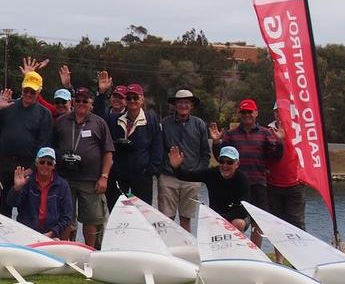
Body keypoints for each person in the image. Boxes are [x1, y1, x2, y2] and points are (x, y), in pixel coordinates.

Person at [0, 57, 54, 217]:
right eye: (26, 90)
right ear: (22, 89)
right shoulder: (8, 106)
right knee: (2, 208)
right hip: (4, 164)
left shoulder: (44, 114)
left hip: (27, 166)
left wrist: (33, 168)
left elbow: (43, 144)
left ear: (39, 92)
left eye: (33, 91)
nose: (29, 94)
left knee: (28, 208)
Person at [210, 98, 283, 247]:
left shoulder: (266, 133)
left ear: (256, 113)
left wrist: (280, 142)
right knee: (236, 220)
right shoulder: (231, 134)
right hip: (236, 185)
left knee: (258, 221)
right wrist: (216, 142)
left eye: (249, 112)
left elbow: (276, 157)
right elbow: (221, 158)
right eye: (243, 112)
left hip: (258, 183)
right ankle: (237, 249)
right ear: (239, 114)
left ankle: (254, 252)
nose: (246, 115)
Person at [52, 88, 114, 247]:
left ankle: (90, 252)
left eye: (85, 101)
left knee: (92, 219)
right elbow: (52, 147)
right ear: (72, 102)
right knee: (66, 218)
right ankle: (67, 250)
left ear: (91, 104)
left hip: (91, 180)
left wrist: (104, 177)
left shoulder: (99, 123)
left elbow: (108, 153)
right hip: (65, 178)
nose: (81, 103)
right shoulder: (61, 121)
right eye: (78, 100)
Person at [103, 83, 162, 210]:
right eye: (128, 98)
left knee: (143, 214)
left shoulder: (151, 119)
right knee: (117, 212)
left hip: (142, 175)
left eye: (135, 98)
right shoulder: (115, 119)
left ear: (142, 99)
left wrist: (151, 169)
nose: (132, 101)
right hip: (119, 175)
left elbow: (157, 146)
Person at [158, 89, 209, 232]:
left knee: (186, 220)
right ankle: (168, 252)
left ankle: (185, 253)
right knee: (166, 220)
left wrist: (198, 173)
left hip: (191, 178)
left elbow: (205, 153)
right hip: (169, 177)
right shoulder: (165, 123)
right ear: (174, 105)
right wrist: (163, 168)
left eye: (187, 102)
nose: (183, 105)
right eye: (180, 102)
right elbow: (159, 150)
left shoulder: (199, 124)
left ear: (192, 105)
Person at [169, 146, 251, 231]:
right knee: (208, 223)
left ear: (237, 164)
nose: (225, 165)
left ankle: (236, 244)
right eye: (222, 161)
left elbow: (244, 208)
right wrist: (176, 168)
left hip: (237, 216)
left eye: (229, 162)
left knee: (238, 223)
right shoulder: (212, 173)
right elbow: (187, 176)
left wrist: (221, 218)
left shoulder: (242, 179)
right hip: (215, 215)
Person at [265, 100, 305, 262]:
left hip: (295, 184)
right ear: (274, 113)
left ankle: (300, 260)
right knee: (276, 226)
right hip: (273, 184)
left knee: (297, 225)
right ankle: (279, 260)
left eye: (284, 111)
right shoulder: (268, 131)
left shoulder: (298, 130)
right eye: (277, 111)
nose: (280, 114)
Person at [9, 147, 74, 238]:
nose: (45, 166)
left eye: (49, 163)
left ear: (53, 166)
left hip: (52, 234)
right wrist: (16, 188)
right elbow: (12, 203)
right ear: (36, 164)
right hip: (27, 232)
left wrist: (53, 233)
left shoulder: (63, 185)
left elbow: (67, 216)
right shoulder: (27, 181)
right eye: (42, 162)